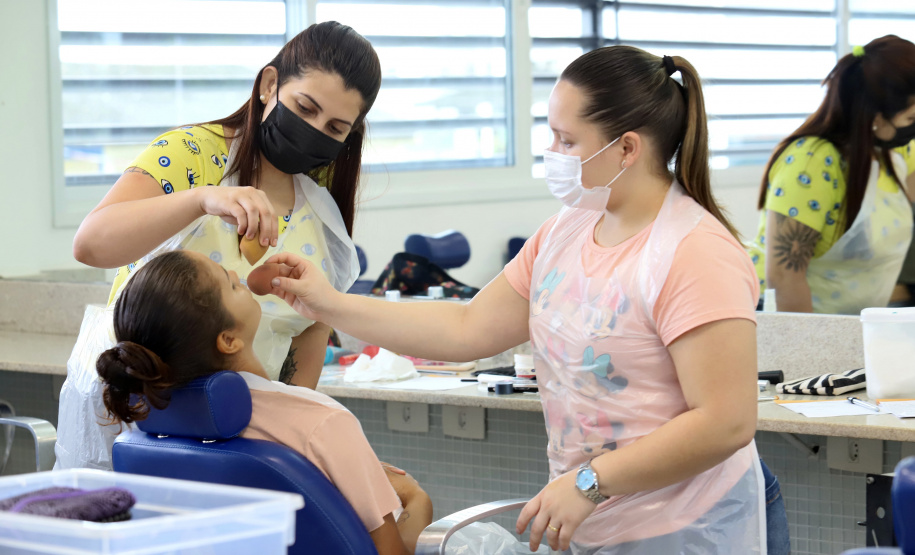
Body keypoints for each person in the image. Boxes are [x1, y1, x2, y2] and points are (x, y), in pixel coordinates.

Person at [261, 46, 766, 554]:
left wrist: (592, 481)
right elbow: (467, 328)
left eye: (567, 140)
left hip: (684, 523)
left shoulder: (694, 252)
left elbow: (725, 420)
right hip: (591, 520)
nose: (553, 151)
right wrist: (325, 303)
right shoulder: (568, 229)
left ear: (627, 148)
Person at [56, 21, 381, 470]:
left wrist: (293, 438)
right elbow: (91, 245)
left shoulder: (321, 208)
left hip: (247, 437)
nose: (314, 131)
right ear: (270, 84)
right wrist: (200, 199)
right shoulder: (191, 156)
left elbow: (308, 341)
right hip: (133, 424)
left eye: (335, 127)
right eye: (305, 108)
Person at [95, 249, 433, 555]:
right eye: (231, 283)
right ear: (228, 340)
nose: (240, 276)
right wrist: (416, 498)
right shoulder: (322, 423)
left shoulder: (148, 440)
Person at [748, 34, 915, 314]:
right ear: (875, 117)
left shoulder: (895, 150)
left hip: (855, 322)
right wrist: (811, 351)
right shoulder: (811, 163)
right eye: (911, 118)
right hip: (787, 318)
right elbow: (785, 278)